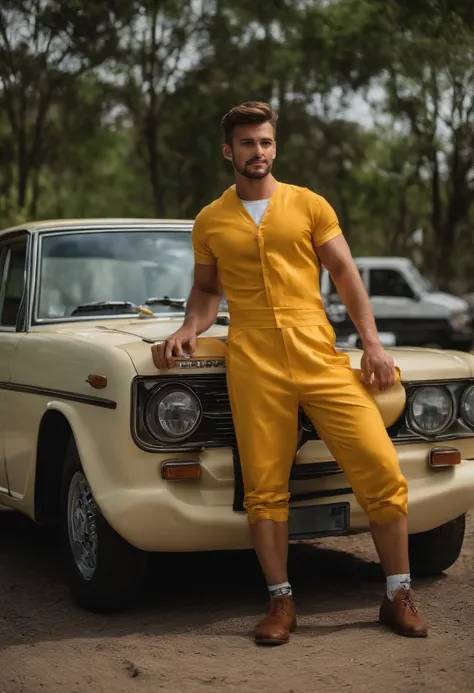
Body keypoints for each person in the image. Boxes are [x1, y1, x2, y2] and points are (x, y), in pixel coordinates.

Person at [151, 101, 428, 645]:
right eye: (249, 143)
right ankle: (281, 604)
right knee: (264, 490)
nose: (259, 152)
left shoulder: (308, 204)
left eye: (267, 142)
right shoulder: (211, 219)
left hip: (318, 354)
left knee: (381, 470)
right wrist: (189, 326)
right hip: (252, 360)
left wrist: (371, 342)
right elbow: (208, 291)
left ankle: (397, 593)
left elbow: (345, 272)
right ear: (228, 151)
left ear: (275, 147)